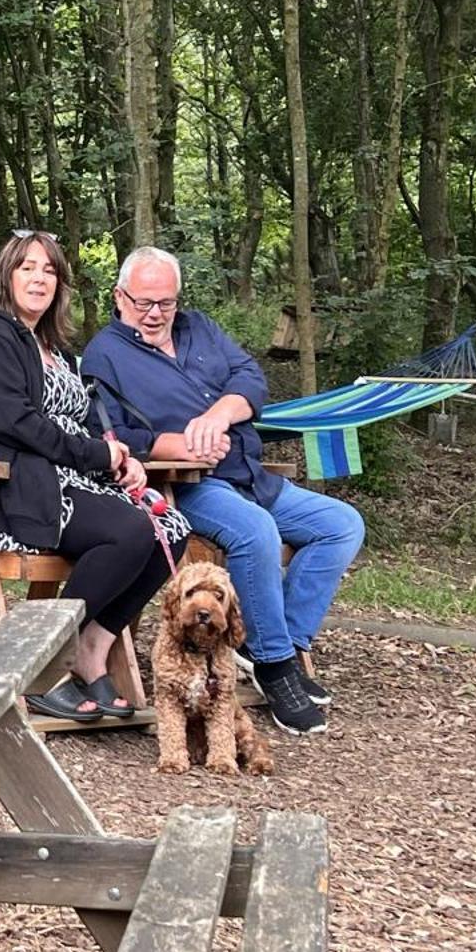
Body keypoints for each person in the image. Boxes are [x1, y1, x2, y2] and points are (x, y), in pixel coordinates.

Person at [81, 246, 364, 737]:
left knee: (341, 525)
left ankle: (273, 643)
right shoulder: (105, 354)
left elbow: (251, 379)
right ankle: (278, 669)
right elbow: (111, 437)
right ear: (119, 298)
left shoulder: (200, 328)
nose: (155, 314)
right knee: (255, 531)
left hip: (250, 472)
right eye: (144, 302)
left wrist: (217, 416)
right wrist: (184, 443)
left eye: (165, 303)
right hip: (187, 484)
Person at [0, 231, 189, 724]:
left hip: (65, 478)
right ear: (5, 276)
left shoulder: (52, 347)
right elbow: (16, 423)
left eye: (50, 270)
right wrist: (98, 455)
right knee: (132, 531)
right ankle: (47, 662)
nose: (39, 278)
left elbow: (86, 423)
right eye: (27, 267)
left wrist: (122, 455)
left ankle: (89, 649)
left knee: (172, 529)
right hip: (10, 491)